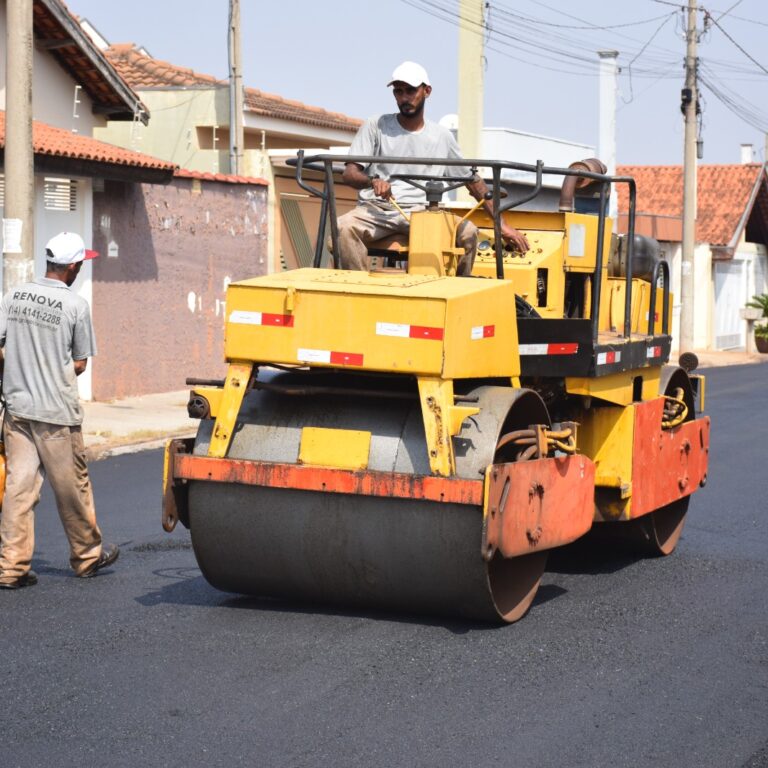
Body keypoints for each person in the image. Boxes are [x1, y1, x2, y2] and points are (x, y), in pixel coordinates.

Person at [0, 232, 119, 589]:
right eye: (80, 264)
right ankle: (86, 557)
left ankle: (10, 568)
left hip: (17, 411)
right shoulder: (75, 306)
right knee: (72, 488)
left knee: (18, 490)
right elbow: (80, 363)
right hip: (56, 416)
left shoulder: (14, 295)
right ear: (73, 267)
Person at [337, 61, 529, 274]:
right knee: (343, 227)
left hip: (425, 213)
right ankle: (358, 290)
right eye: (398, 92)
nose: (404, 98)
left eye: (411, 90)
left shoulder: (442, 137)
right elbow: (350, 173)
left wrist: (502, 226)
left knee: (468, 233)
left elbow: (472, 182)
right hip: (379, 211)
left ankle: (456, 293)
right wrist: (372, 181)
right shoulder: (376, 126)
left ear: (426, 91)